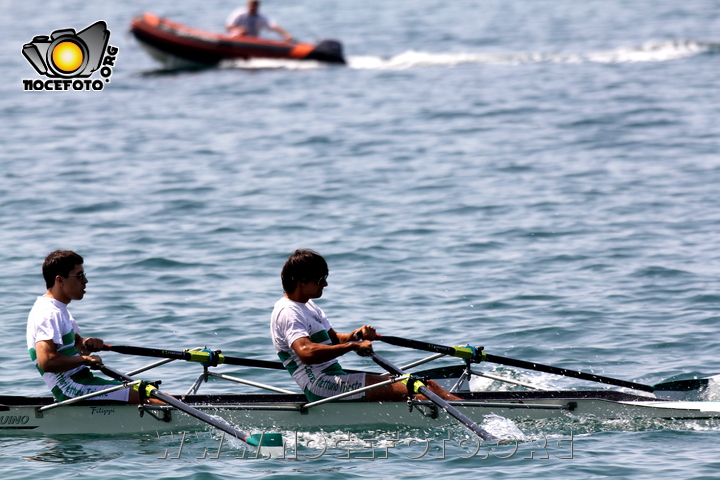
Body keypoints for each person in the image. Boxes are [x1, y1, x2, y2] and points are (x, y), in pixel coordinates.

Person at [271, 249, 459, 402]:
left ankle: (462, 408)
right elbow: (306, 353)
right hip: (321, 385)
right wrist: (352, 347)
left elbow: (333, 339)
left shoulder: (308, 305)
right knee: (422, 389)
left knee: (426, 386)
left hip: (334, 378)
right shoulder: (288, 311)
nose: (326, 284)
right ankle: (472, 414)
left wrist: (355, 336)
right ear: (299, 280)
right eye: (320, 280)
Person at [27, 250, 160, 404]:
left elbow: (75, 348)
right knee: (150, 397)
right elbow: (47, 361)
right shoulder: (48, 313)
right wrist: (85, 359)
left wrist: (86, 344)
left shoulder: (59, 310)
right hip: (72, 388)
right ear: (60, 280)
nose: (86, 281)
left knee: (149, 390)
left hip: (82, 381)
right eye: (80, 276)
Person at [226, 0, 293, 42]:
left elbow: (273, 26)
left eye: (254, 6)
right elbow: (228, 27)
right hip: (236, 40)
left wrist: (285, 34)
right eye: (251, 6)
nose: (252, 8)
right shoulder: (239, 14)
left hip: (252, 42)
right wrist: (239, 30)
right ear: (248, 5)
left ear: (257, 7)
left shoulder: (261, 18)